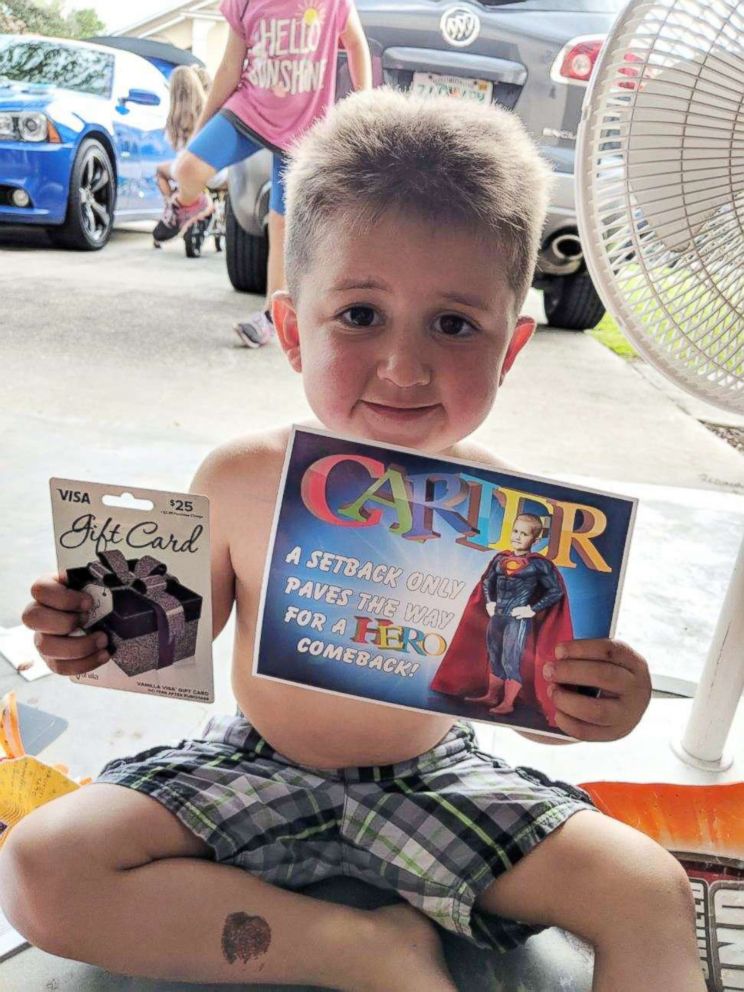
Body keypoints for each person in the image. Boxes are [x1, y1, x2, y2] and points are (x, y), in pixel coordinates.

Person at [4, 91, 704, 992]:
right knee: (40, 864)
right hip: (252, 766)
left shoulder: (519, 519)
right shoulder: (240, 477)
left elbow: (534, 689)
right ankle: (352, 948)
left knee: (650, 889)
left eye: (454, 325)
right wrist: (88, 633)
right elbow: (165, 641)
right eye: (361, 316)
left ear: (512, 348)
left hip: (436, 779)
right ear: (293, 330)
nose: (405, 367)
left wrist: (600, 703)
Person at [152, 0, 373, 348]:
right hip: (249, 109)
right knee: (186, 168)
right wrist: (199, 129)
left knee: (281, 225)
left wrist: (365, 104)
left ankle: (271, 315)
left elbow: (356, 43)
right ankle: (191, 205)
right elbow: (229, 67)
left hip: (304, 127)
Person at [431, 513, 574, 725]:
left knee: (510, 659)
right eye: (515, 531)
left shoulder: (538, 565)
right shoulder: (500, 558)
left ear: (534, 540)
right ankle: (492, 695)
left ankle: (508, 702)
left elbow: (555, 591)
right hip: (497, 615)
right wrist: (488, 602)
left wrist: (532, 610)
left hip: (517, 619)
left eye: (524, 534)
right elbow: (487, 581)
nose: (517, 537)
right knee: (494, 655)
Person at [154, 66, 208, 209]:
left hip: (188, 169)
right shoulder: (208, 111)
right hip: (214, 171)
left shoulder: (174, 119)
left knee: (159, 171)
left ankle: (174, 209)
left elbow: (174, 146)